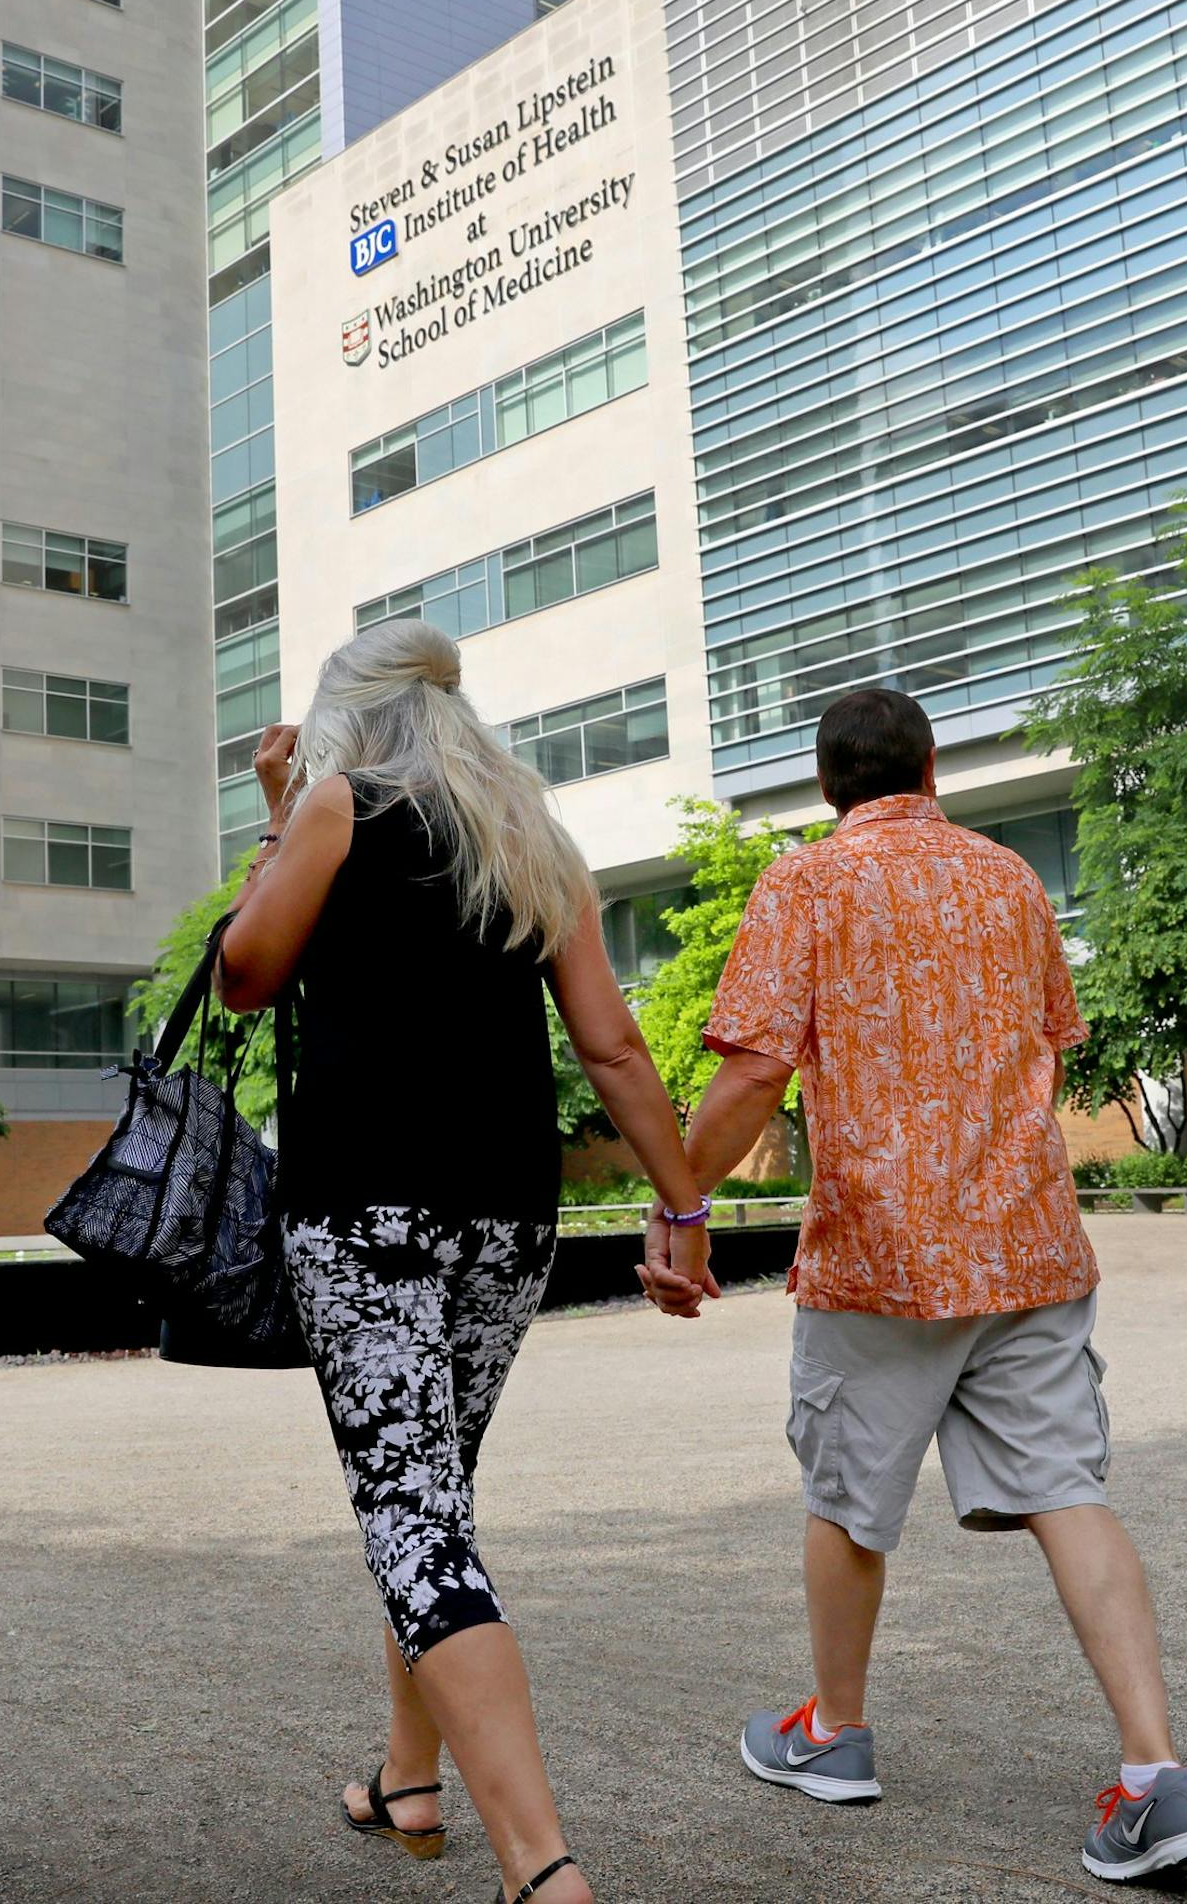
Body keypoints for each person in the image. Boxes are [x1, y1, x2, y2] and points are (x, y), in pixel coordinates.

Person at [643, 688, 1187, 1885]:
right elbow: (1046, 1040)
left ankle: (834, 1731)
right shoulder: (1011, 879)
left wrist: (681, 1201)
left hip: (882, 1255)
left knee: (849, 1497)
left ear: (827, 786)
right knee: (1068, 1489)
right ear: (931, 770)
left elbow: (757, 1069)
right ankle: (1154, 1771)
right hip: (1027, 1242)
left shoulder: (805, 881)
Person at [216, 621, 704, 1904]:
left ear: (350, 719)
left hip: (367, 1210)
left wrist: (277, 821)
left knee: (416, 1517)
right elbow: (612, 1045)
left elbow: (244, 974)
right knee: (432, 1501)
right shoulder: (531, 834)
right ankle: (407, 1776)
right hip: (505, 1214)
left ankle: (543, 1869)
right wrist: (684, 1201)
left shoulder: (337, 805)